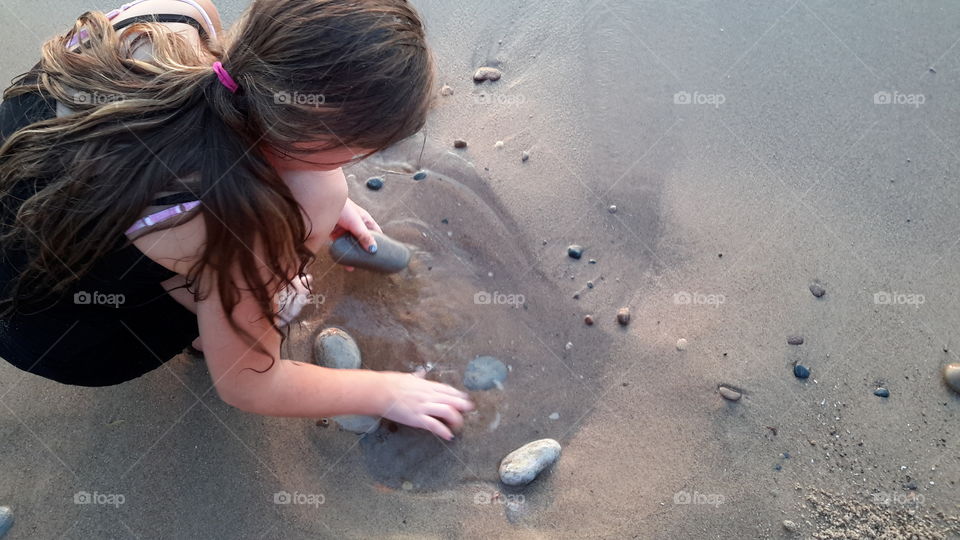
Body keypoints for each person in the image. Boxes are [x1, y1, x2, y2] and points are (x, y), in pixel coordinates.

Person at [0, 0, 473, 440]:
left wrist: (299, 170)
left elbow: (224, 114)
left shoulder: (176, 17)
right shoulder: (264, 219)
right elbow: (249, 385)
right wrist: (387, 392)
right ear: (333, 144)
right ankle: (210, 326)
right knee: (284, 290)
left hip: (27, 208)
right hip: (50, 333)